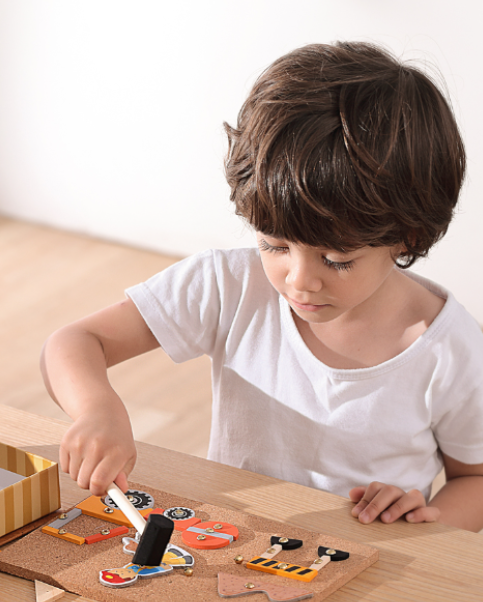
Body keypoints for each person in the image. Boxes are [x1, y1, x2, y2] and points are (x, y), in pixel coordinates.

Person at [40, 41, 483, 532]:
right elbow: (75, 342)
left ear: (408, 236)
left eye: (336, 260)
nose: (298, 279)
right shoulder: (230, 285)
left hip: (374, 566)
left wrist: (430, 519)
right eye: (274, 245)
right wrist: (97, 408)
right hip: (230, 543)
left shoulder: (451, 348)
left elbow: (476, 479)